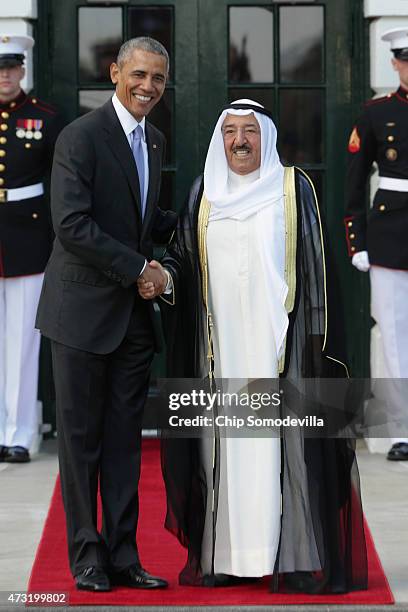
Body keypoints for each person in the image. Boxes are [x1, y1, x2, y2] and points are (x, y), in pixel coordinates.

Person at [139, 100, 368, 593]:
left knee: (280, 451)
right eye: (230, 133)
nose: (240, 141)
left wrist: (312, 344)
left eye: (250, 132)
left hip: (277, 351)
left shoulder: (292, 188)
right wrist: (162, 279)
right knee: (222, 452)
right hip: (220, 351)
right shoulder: (205, 193)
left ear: (266, 137)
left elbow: (316, 268)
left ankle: (293, 556)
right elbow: (181, 258)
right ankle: (227, 556)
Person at [36, 37, 176, 592]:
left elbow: (144, 217)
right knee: (80, 443)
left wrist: (211, 214)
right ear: (115, 71)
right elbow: (72, 225)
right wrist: (141, 268)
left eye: (158, 79)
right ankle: (87, 558)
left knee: (124, 445)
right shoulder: (80, 136)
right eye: (138, 74)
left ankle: (123, 555)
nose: (148, 87)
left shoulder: (157, 140)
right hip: (80, 317)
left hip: (132, 324)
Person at [345, 27, 408, 461]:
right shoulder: (374, 114)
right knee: (394, 336)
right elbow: (353, 185)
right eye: (405, 60)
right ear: (394, 63)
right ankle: (405, 430)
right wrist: (357, 241)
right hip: (390, 236)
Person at [0, 34, 62, 464]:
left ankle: (18, 432)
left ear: (22, 70)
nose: (3, 76)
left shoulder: (46, 117)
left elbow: (59, 182)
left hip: (27, 238)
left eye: (10, 68)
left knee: (22, 341)